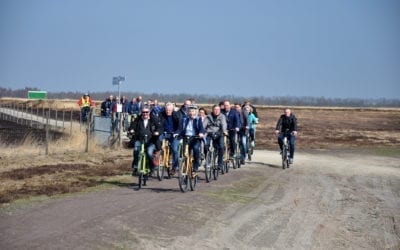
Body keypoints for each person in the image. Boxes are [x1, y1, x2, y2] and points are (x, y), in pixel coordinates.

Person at [129, 106, 163, 175]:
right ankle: (135, 167)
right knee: (136, 150)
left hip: (151, 141)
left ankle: (152, 167)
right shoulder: (138, 119)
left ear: (149, 112)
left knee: (149, 153)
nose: (145, 114)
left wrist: (157, 132)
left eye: (146, 112)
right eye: (143, 112)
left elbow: (159, 127)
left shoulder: (154, 119)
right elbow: (132, 126)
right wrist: (131, 130)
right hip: (139, 139)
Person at [179, 106, 205, 173]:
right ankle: (185, 167)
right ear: (188, 112)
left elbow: (201, 128)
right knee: (185, 153)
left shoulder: (198, 119)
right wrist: (176, 133)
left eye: (193, 111)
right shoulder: (184, 119)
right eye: (190, 111)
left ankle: (196, 165)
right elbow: (180, 129)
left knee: (196, 148)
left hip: (195, 137)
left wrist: (201, 133)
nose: (191, 113)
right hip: (186, 137)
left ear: (195, 112)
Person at [158, 102, 182, 175]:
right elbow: (158, 124)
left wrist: (177, 132)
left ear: (172, 109)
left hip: (174, 134)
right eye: (167, 110)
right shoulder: (161, 114)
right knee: (157, 142)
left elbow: (180, 126)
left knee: (175, 149)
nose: (168, 111)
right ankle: (156, 161)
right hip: (164, 133)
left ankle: (174, 167)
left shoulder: (177, 115)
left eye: (169, 110)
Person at [204, 105, 227, 170]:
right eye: (215, 109)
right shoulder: (208, 117)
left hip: (219, 133)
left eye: (218, 109)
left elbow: (224, 124)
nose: (216, 111)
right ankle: (207, 159)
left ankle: (220, 163)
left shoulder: (222, 116)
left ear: (220, 110)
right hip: (209, 133)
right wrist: (202, 132)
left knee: (221, 147)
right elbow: (203, 125)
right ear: (212, 110)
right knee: (206, 146)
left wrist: (224, 131)